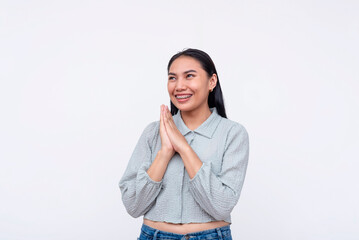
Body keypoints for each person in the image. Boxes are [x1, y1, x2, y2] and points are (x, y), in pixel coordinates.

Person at [119, 48, 249, 240]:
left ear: (211, 81)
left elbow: (221, 206)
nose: (179, 86)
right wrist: (165, 152)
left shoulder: (232, 133)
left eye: (189, 76)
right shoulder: (153, 132)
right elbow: (133, 206)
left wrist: (184, 148)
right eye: (172, 78)